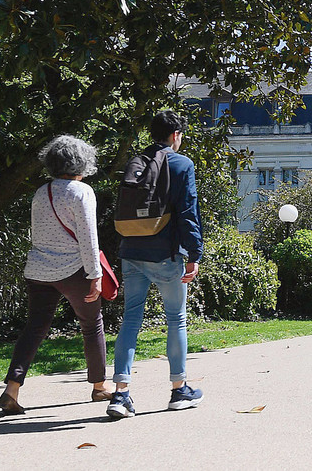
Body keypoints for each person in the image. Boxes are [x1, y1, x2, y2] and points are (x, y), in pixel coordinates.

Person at [0, 135, 111, 415]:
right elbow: (89, 238)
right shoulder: (81, 192)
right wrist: (95, 275)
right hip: (74, 270)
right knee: (91, 324)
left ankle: (11, 388)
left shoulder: (41, 192)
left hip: (38, 270)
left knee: (35, 327)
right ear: (83, 162)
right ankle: (99, 386)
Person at [107, 111, 203, 420]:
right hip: (165, 254)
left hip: (131, 250)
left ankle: (120, 395)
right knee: (176, 318)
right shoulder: (181, 164)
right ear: (176, 135)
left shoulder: (137, 161)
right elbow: (188, 212)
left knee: (131, 319)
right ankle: (179, 390)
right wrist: (194, 254)